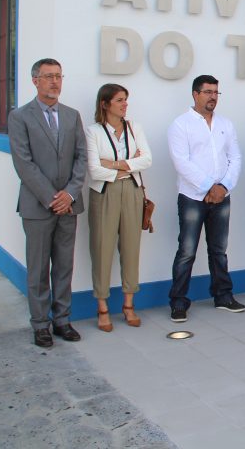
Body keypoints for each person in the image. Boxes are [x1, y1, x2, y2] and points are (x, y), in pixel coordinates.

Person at [8, 58, 87, 347]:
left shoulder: (71, 115)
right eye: (48, 76)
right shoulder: (20, 117)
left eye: (58, 76)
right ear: (35, 81)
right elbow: (23, 163)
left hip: (69, 206)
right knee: (38, 268)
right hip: (37, 207)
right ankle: (40, 323)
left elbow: (81, 158)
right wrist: (53, 198)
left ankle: (62, 320)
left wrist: (70, 193)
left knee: (64, 266)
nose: (55, 81)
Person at [167, 75, 244, 323]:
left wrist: (223, 187)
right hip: (192, 197)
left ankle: (223, 296)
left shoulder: (225, 124)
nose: (213, 97)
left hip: (222, 196)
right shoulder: (181, 124)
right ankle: (179, 302)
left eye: (216, 92)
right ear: (195, 94)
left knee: (219, 250)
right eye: (208, 92)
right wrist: (208, 187)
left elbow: (236, 158)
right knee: (187, 252)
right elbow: (181, 162)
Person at [85, 84, 152, 332]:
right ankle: (102, 307)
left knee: (131, 247)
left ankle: (128, 304)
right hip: (104, 193)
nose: (125, 104)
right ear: (105, 104)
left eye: (126, 99)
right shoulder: (93, 131)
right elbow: (93, 169)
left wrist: (113, 164)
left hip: (132, 192)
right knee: (102, 248)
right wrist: (128, 165)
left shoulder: (135, 128)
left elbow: (147, 159)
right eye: (119, 100)